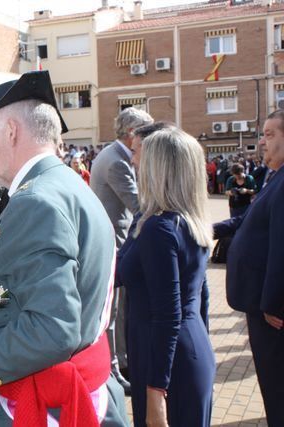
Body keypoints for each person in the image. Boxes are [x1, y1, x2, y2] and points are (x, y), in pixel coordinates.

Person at [0, 71, 129, 426]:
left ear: (11, 131)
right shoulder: (68, 186)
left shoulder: (35, 201)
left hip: (52, 407)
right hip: (81, 393)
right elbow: (26, 300)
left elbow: (51, 330)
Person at [117, 128, 215, 427]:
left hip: (167, 364)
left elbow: (168, 315)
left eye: (142, 158)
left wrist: (156, 391)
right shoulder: (184, 220)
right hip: (186, 351)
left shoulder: (160, 227)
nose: (134, 163)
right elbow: (202, 296)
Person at [214, 110, 284, 426]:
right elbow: (248, 221)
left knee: (277, 385)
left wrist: (274, 303)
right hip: (260, 305)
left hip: (271, 312)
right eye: (262, 134)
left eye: (270, 135)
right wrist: (210, 229)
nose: (261, 142)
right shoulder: (273, 177)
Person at [90, 107, 154, 394]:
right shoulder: (116, 161)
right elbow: (138, 205)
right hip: (114, 247)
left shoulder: (114, 155)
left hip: (118, 244)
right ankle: (113, 370)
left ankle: (120, 363)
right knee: (113, 314)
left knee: (119, 311)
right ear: (132, 135)